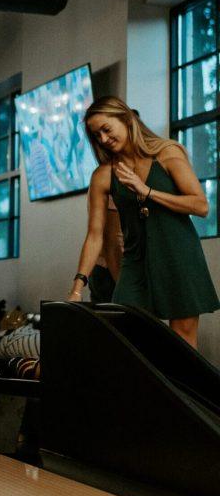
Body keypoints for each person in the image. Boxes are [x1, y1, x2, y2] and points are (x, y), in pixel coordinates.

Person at [70, 96, 219, 347]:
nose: (104, 139)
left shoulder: (167, 153)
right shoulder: (103, 175)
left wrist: (146, 191)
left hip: (178, 254)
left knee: (182, 342)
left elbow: (200, 205)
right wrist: (77, 286)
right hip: (136, 261)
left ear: (126, 119)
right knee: (126, 334)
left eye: (107, 129)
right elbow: (95, 235)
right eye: (97, 135)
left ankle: (184, 388)